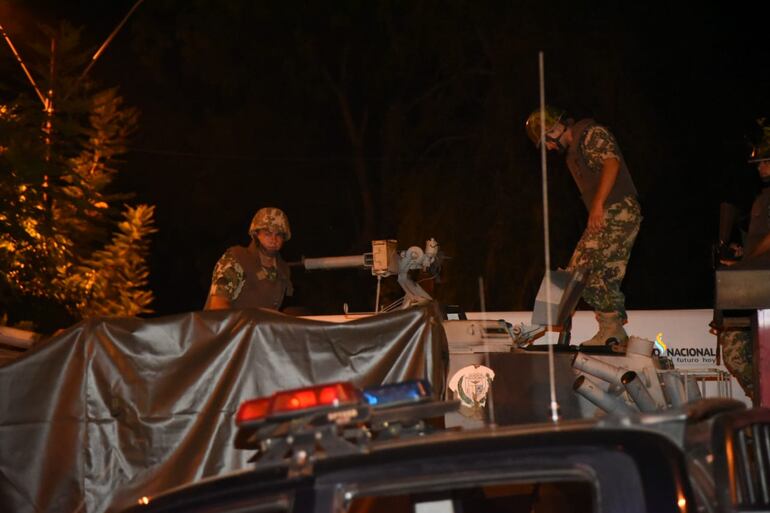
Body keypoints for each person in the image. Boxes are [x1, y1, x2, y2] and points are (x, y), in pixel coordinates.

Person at [525, 106, 642, 347]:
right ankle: (611, 329)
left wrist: (598, 204)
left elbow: (612, 163)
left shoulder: (589, 134)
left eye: (546, 142)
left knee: (585, 272)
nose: (549, 148)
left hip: (619, 210)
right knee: (578, 274)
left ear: (553, 129)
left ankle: (611, 329)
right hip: (608, 213)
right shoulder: (573, 154)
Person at [715, 122, 770, 399]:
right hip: (754, 292)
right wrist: (739, 253)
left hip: (763, 290)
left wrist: (745, 262)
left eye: (763, 162)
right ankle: (762, 403)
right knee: (736, 352)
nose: (759, 168)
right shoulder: (762, 198)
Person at [204, 207, 294, 311]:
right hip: (227, 326)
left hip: (260, 326)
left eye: (278, 235)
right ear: (256, 235)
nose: (273, 239)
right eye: (267, 233)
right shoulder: (237, 259)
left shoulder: (282, 270)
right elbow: (217, 306)